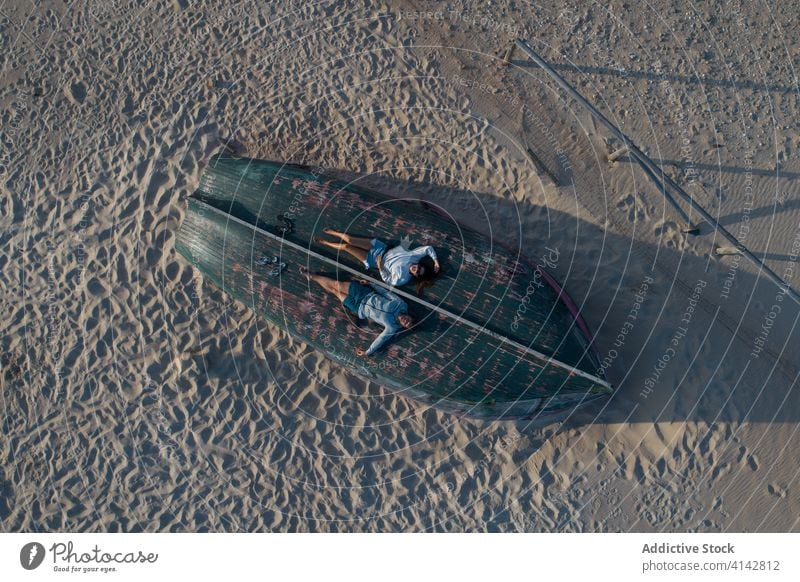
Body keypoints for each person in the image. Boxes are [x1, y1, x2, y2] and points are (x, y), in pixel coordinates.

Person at [299, 266, 413, 356]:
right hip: (364, 293)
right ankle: (312, 275)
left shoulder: (392, 327)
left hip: (358, 308)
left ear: (404, 327)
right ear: (409, 316)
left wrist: (367, 352)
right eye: (408, 320)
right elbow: (387, 293)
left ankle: (312, 278)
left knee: (335, 292)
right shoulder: (402, 305)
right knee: (337, 285)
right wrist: (371, 284)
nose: (406, 320)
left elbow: (381, 340)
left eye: (406, 324)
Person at [317, 227, 440, 294]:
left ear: (415, 276)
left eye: (417, 272)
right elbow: (428, 249)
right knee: (350, 240)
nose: (416, 269)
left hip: (373, 261)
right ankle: (335, 232)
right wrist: (435, 261)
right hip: (380, 248)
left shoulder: (403, 278)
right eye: (419, 267)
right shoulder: (414, 256)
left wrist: (380, 266)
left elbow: (388, 280)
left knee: (346, 247)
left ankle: (326, 242)